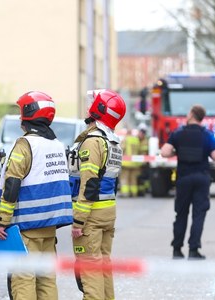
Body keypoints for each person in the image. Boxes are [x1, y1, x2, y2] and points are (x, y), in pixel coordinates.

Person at [0, 91, 73, 300]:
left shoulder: (25, 144)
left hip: (26, 228)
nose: (20, 117)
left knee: (24, 279)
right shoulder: (56, 145)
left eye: (21, 112)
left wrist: (2, 221)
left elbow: (12, 184)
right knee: (47, 280)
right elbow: (39, 175)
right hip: (49, 228)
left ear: (29, 114)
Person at [69, 89, 126, 300]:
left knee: (90, 269)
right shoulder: (114, 142)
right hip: (107, 210)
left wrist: (78, 221)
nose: (88, 106)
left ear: (99, 110)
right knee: (103, 265)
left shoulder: (93, 141)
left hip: (91, 214)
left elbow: (90, 183)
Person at [160, 104, 215, 260]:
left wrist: (177, 151)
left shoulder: (178, 133)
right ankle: (194, 250)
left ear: (192, 115)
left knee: (181, 214)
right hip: (201, 178)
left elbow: (164, 152)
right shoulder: (207, 135)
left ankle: (177, 249)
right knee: (198, 215)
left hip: (184, 178)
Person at [119, 128, 141, 197]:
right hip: (135, 163)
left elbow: (121, 149)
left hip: (126, 163)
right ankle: (134, 193)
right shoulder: (136, 140)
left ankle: (125, 193)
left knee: (124, 178)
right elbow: (139, 150)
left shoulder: (126, 139)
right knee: (133, 179)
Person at [136, 127, 150, 196]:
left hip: (143, 162)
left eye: (141, 133)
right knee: (140, 177)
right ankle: (141, 190)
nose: (139, 134)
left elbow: (144, 152)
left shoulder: (145, 142)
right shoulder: (137, 140)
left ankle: (144, 190)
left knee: (143, 178)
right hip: (138, 162)